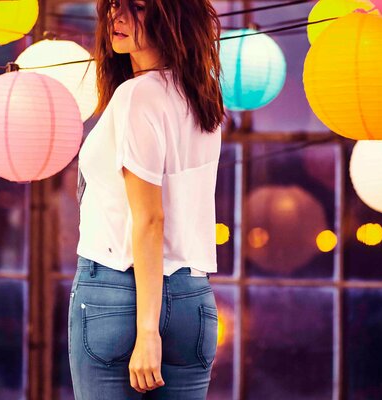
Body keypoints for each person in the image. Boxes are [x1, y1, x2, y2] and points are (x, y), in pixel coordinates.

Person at [68, 0, 224, 398]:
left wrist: (148, 330)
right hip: (194, 299)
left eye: (136, 7)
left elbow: (151, 219)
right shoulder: (202, 98)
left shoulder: (137, 96)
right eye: (114, 5)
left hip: (117, 291)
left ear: (171, 16)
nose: (116, 18)